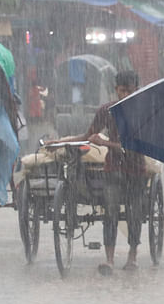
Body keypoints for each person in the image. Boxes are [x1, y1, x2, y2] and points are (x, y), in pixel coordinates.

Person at [46, 70, 145, 275]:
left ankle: (132, 256)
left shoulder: (142, 111)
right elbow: (87, 135)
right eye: (121, 90)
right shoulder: (106, 111)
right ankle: (109, 260)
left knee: (135, 214)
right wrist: (60, 142)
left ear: (137, 90)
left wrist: (104, 142)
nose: (125, 95)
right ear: (116, 90)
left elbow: (133, 146)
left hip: (136, 171)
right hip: (113, 170)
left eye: (129, 91)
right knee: (110, 214)